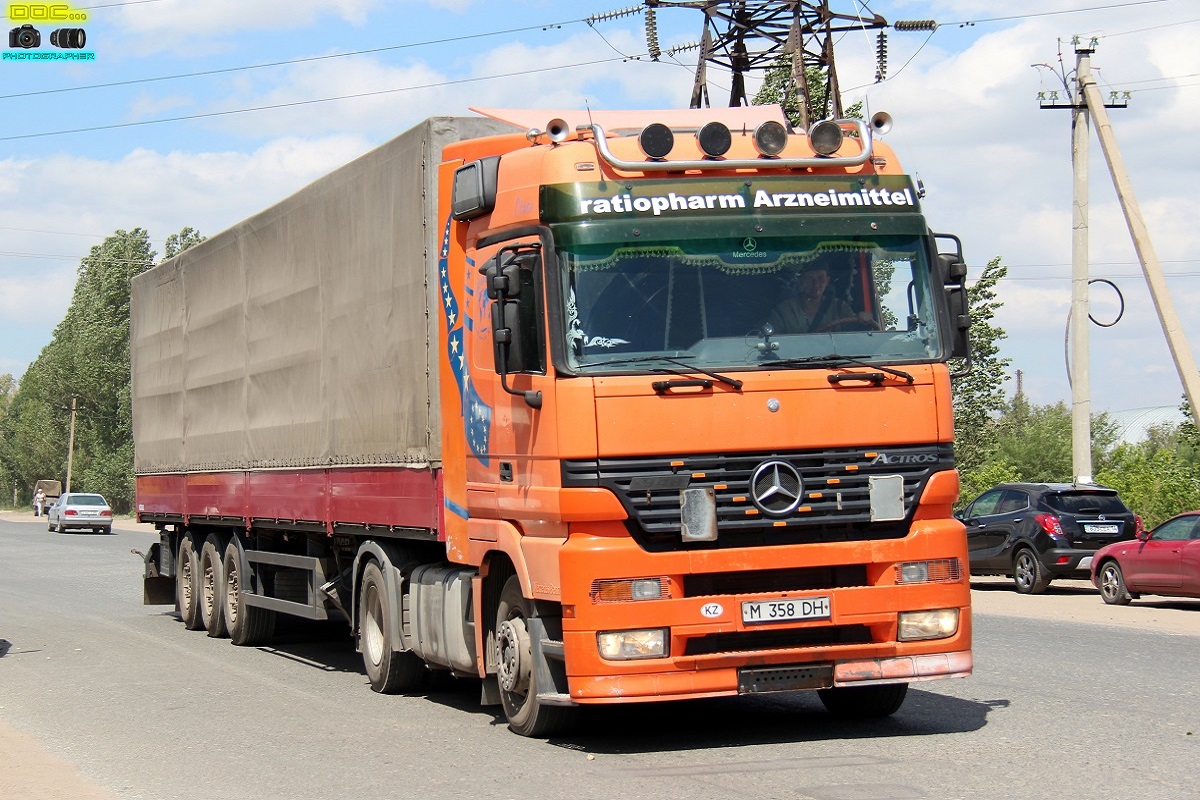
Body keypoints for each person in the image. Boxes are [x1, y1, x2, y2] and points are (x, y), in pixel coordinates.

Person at [766, 260, 856, 333]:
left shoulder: (840, 307)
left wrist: (863, 320)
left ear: (827, 281)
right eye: (809, 279)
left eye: (821, 279)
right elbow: (772, 339)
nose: (816, 284)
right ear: (800, 282)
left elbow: (856, 334)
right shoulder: (784, 311)